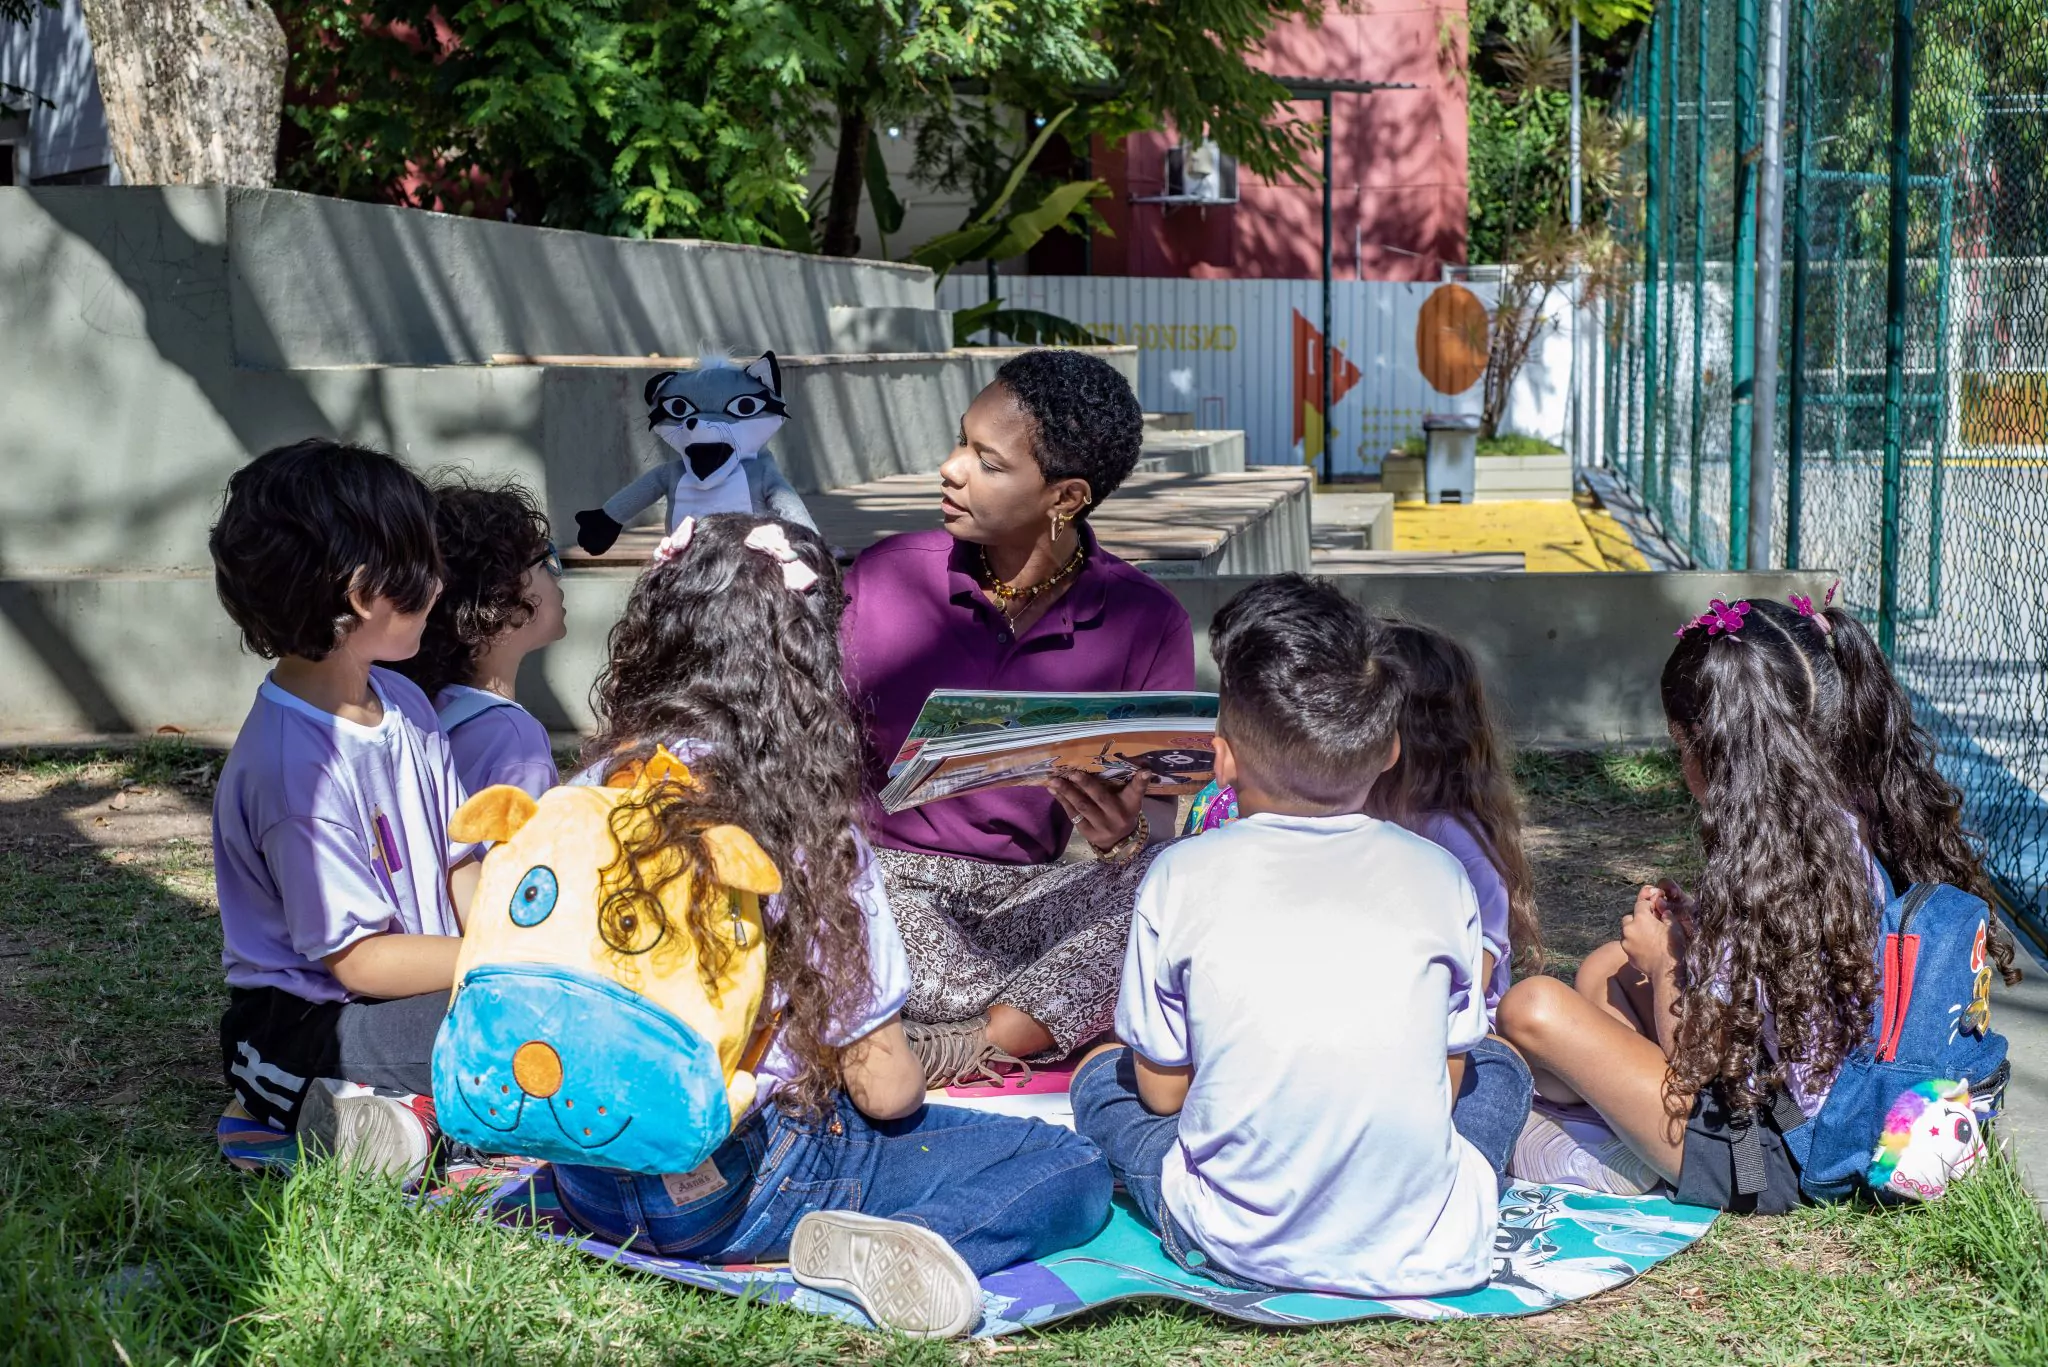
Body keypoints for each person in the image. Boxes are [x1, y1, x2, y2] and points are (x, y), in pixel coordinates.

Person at [550, 514, 1111, 1339]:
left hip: (587, 1169)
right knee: (1070, 1167)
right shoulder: (802, 821)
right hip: (744, 1182)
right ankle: (901, 1242)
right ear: (809, 657)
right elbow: (882, 1091)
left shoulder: (589, 790)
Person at [1071, 576, 1530, 1298]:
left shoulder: (1181, 874)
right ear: (1387, 752)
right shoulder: (1442, 874)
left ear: (1222, 758)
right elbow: (1441, 1087)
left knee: (1102, 1077)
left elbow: (1162, 1097)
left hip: (1237, 1239)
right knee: (1499, 1066)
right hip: (1427, 1244)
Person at [1497, 594, 1991, 1213]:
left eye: (1682, 749)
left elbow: (1695, 1060)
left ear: (1723, 749)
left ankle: (1601, 1142)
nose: (1681, 767)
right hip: (1794, 1102)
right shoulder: (1836, 825)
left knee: (1532, 1008)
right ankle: (1602, 1122)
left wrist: (1668, 961)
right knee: (1601, 967)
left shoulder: (1780, 866)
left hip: (1773, 1154)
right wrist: (1693, 933)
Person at [840, 349, 1194, 1086]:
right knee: (836, 899)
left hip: (1028, 900)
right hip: (887, 884)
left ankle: (942, 1038)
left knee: (1181, 880)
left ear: (1064, 496)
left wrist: (1118, 834)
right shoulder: (883, 578)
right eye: (961, 440)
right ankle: (1021, 1026)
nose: (950, 467)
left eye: (986, 461)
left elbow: (1154, 829)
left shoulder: (1146, 619)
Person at [208, 439, 479, 1179]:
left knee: (530, 1018)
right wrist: (503, 961)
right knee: (511, 1038)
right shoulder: (299, 773)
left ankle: (392, 1125)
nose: (442, 578)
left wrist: (509, 936)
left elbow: (462, 855)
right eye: (425, 562)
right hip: (308, 1026)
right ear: (364, 593)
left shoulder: (407, 702)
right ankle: (363, 1120)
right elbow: (359, 960)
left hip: (421, 987)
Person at [1189, 618, 1541, 1024]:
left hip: (1451, 1050)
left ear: (1391, 736)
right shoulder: (1345, 817)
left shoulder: (1453, 843)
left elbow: (1462, 995)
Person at [391, 477, 567, 798]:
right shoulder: (515, 741)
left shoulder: (418, 709)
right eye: (545, 562)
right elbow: (525, 849)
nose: (558, 574)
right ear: (496, 599)